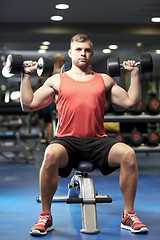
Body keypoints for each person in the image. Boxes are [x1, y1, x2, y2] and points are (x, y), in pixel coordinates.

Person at [20, 33, 148, 236]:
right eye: (79, 50)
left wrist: (133, 73)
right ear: (70, 53)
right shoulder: (57, 80)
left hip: (98, 140)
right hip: (66, 141)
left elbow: (131, 103)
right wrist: (25, 74)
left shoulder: (103, 80)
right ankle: (45, 215)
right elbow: (29, 104)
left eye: (87, 50)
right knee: (50, 154)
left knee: (128, 154)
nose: (83, 53)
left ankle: (128, 214)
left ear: (92, 53)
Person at [35, 54, 66, 144]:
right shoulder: (59, 72)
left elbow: (38, 85)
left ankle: (42, 135)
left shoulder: (46, 71)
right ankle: (49, 143)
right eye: (63, 61)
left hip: (42, 99)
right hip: (51, 100)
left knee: (42, 119)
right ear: (60, 62)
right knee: (50, 121)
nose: (64, 63)